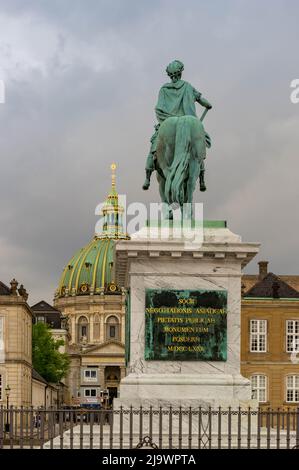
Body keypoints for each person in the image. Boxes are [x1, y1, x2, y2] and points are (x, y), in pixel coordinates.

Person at [143, 60, 212, 190]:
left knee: (154, 146)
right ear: (181, 73)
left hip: (167, 120)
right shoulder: (188, 86)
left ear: (170, 75)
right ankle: (202, 179)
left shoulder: (164, 89)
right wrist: (207, 105)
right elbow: (203, 101)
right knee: (197, 148)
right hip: (188, 120)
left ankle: (147, 177)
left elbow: (159, 108)